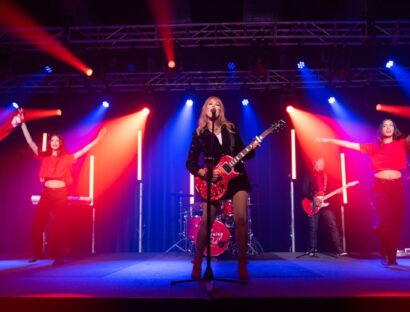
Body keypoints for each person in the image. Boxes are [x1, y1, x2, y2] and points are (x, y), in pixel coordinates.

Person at [317, 118, 410, 266]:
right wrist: (331, 140)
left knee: (396, 222)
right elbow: (351, 145)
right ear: (381, 129)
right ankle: (385, 249)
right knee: (385, 220)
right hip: (380, 186)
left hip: (397, 187)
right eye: (385, 125)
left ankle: (391, 256)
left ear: (394, 129)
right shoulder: (373, 147)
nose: (388, 127)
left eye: (391, 125)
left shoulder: (401, 144)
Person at [186, 96, 260, 280]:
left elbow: (245, 155)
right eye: (210, 104)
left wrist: (253, 147)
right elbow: (190, 163)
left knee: (241, 218)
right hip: (213, 181)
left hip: (237, 179)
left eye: (218, 104)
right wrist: (204, 172)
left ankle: (242, 264)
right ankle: (197, 263)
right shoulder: (199, 134)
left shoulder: (231, 129)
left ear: (221, 110)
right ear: (205, 109)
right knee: (206, 222)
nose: (214, 107)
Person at [20, 120, 106, 266]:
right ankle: (37, 253)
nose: (54, 142)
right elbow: (30, 142)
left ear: (60, 143)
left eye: (57, 140)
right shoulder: (44, 157)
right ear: (49, 143)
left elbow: (84, 149)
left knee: (60, 225)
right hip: (46, 193)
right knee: (37, 223)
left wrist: (98, 139)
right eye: (52, 140)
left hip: (60, 194)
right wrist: (22, 124)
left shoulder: (67, 158)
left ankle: (58, 256)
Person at [301, 157, 346, 257]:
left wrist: (337, 192)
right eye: (321, 161)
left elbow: (329, 190)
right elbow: (304, 190)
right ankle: (312, 249)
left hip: (325, 203)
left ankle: (339, 249)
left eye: (324, 162)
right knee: (313, 227)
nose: (323, 163)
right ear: (315, 162)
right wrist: (314, 198)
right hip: (313, 203)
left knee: (333, 224)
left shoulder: (325, 176)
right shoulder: (309, 174)